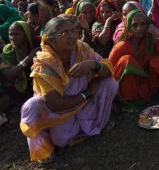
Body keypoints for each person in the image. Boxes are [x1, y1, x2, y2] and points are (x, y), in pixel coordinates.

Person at [20, 14, 118, 163]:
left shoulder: (82, 49)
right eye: (64, 33)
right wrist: (88, 93)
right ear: (51, 39)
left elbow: (108, 69)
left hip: (83, 103)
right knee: (37, 113)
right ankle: (44, 146)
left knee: (110, 83)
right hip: (61, 111)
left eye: (74, 31)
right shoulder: (44, 63)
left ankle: (97, 123)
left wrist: (93, 65)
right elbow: (55, 104)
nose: (72, 36)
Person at [108, 10, 159, 110]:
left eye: (143, 24)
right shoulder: (122, 46)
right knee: (127, 60)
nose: (139, 28)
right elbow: (107, 70)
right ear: (128, 27)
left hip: (145, 81)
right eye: (135, 25)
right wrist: (109, 99)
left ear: (147, 25)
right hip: (127, 88)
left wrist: (158, 34)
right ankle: (130, 99)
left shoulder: (149, 40)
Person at [0, 21, 38, 112]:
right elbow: (9, 75)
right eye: (10, 34)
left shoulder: (35, 45)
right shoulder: (8, 50)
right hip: (12, 88)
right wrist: (28, 58)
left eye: (16, 34)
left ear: (26, 34)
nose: (12, 37)